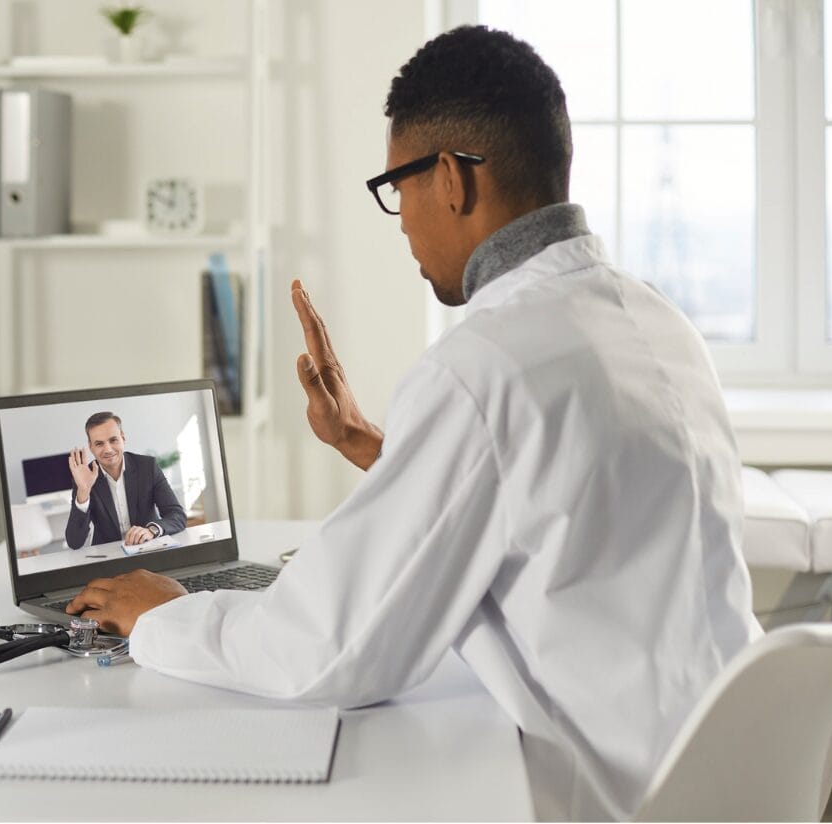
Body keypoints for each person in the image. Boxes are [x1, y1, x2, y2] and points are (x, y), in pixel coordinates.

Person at [66, 25, 761, 820]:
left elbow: (332, 650)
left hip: (610, 797)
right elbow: (553, 498)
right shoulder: (654, 319)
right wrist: (370, 445)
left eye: (398, 185)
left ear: (452, 179)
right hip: (722, 774)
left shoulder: (484, 366)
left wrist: (165, 615)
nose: (398, 220)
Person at [64, 411, 187, 548]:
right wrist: (83, 492)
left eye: (113, 440)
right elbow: (74, 542)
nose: (108, 449)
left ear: (123, 438)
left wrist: (152, 530)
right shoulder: (84, 478)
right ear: (90, 446)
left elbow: (177, 515)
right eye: (99, 444)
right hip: (109, 558)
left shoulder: (147, 467)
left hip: (149, 548)